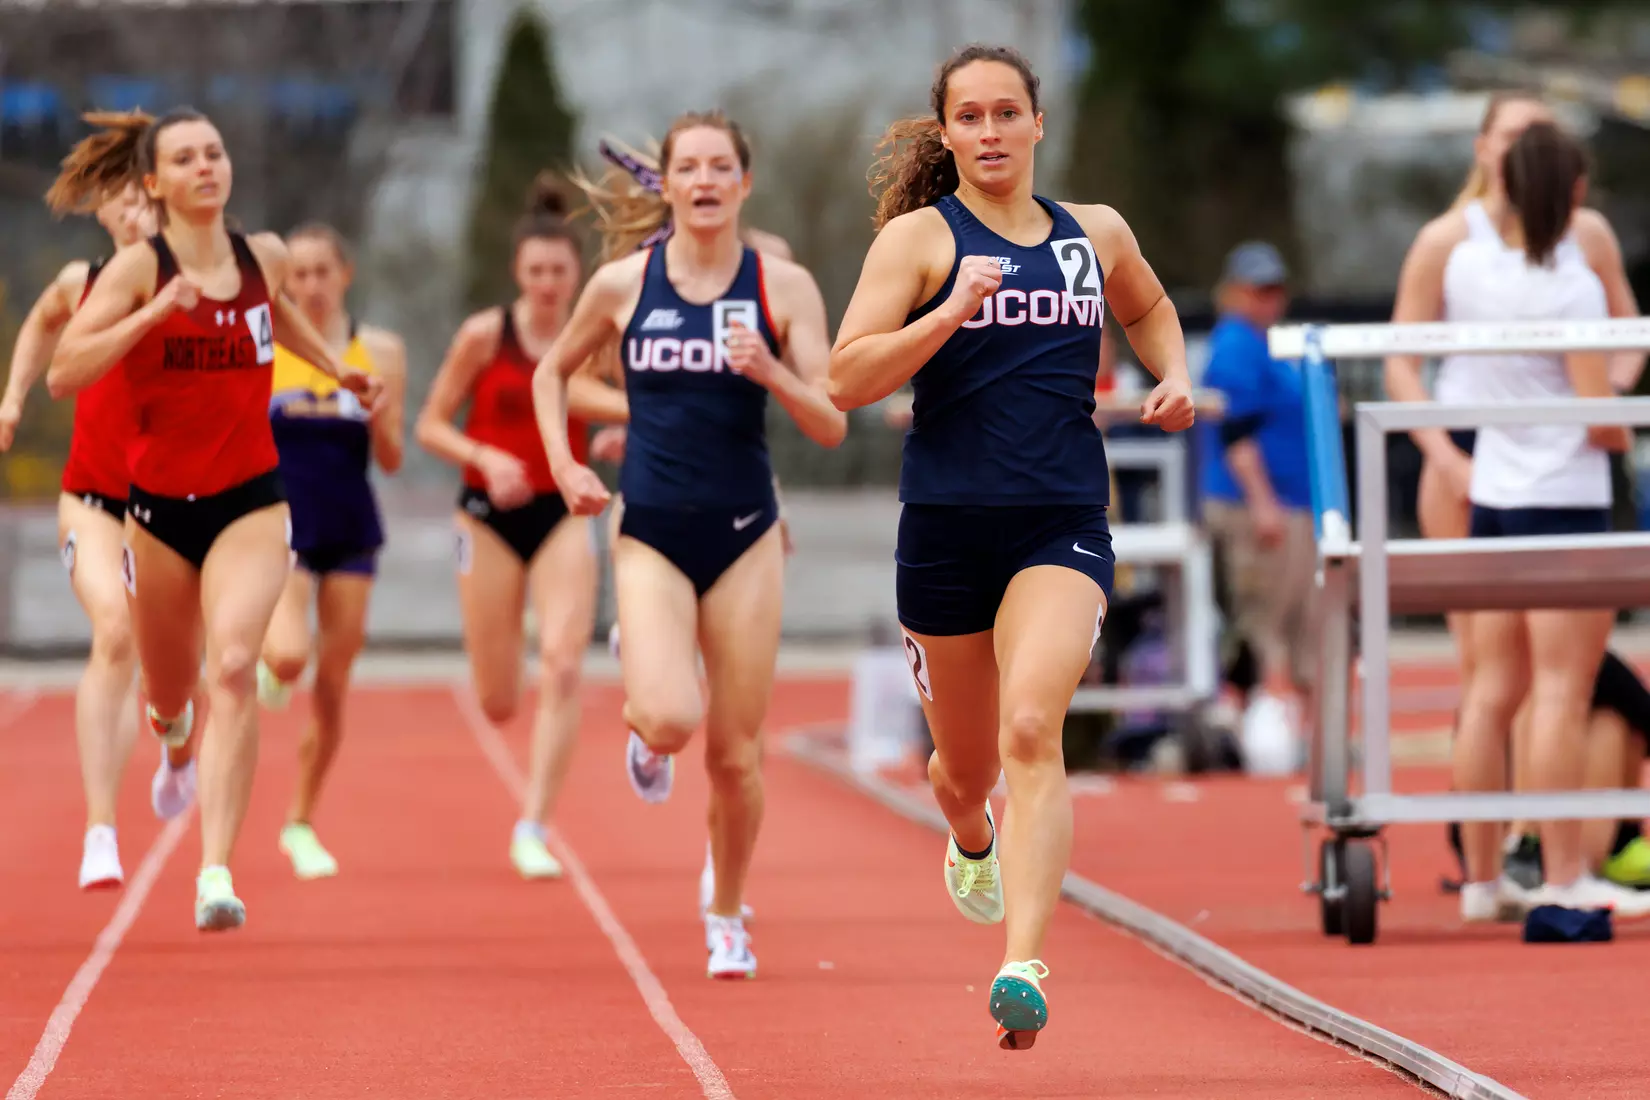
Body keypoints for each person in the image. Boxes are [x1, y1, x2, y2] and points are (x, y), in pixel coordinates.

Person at [826, 44, 1195, 1047]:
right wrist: (949, 312)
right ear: (947, 133)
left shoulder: (1095, 232)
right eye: (970, 116)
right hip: (947, 529)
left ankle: (1023, 963)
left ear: (1038, 123)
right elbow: (846, 378)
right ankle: (970, 833)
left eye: (1005, 113)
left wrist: (1171, 374)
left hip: (1059, 522)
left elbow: (1151, 306)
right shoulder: (918, 241)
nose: (989, 131)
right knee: (961, 768)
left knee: (1032, 728)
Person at [46, 107, 380, 931]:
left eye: (215, 153)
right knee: (170, 692)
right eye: (186, 158)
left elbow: (281, 313)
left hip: (250, 499)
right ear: (155, 183)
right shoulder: (137, 269)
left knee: (233, 665)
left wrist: (333, 367)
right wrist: (151, 315)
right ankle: (173, 734)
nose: (206, 167)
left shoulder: (262, 255)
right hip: (158, 513)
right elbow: (65, 370)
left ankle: (216, 873)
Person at [533, 109, 846, 979]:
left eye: (720, 167)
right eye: (689, 168)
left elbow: (830, 423)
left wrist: (771, 372)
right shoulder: (624, 285)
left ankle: (727, 912)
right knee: (671, 717)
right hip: (651, 530)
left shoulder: (784, 287)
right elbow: (553, 372)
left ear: (745, 184)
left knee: (737, 756)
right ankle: (647, 703)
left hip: (746, 534)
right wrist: (564, 467)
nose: (704, 181)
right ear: (667, 185)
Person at [1443, 122, 1650, 921]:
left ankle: (1482, 882)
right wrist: (1620, 420)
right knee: (1562, 690)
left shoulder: (1467, 266)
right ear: (1575, 193)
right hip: (1563, 494)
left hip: (1495, 494)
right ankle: (1564, 877)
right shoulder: (1573, 284)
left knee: (1491, 690)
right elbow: (1599, 419)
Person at [415, 177, 627, 881]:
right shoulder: (485, 336)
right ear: (517, 272)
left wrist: (618, 437)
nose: (546, 284)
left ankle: (534, 825)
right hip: (487, 516)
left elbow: (640, 408)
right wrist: (485, 455)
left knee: (564, 665)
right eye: (535, 271)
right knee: (500, 700)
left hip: (562, 510)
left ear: (576, 274)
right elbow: (430, 425)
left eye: (558, 271)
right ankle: (519, 629)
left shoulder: (596, 340)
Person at [0, 180, 172, 889]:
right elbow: (41, 322)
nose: (131, 210)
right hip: (94, 500)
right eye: (116, 200)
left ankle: (178, 739)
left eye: (141, 196)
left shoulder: (193, 284)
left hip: (173, 504)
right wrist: (12, 398)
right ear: (99, 213)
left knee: (170, 666)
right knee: (115, 634)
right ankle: (101, 829)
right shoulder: (82, 282)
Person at [256, 223, 406, 880]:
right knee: (290, 655)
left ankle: (300, 822)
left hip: (350, 522)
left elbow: (392, 458)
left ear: (345, 274)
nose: (312, 285)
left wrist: (379, 415)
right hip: (284, 519)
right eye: (299, 274)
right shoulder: (267, 346)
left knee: (334, 685)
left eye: (323, 271)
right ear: (284, 283)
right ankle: (270, 662)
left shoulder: (381, 350)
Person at [1196, 242, 1315, 775]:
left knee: (1291, 621)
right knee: (1262, 621)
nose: (1270, 299)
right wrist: (1263, 502)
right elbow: (1235, 433)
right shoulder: (1236, 345)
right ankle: (1262, 735)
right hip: (1257, 508)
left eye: (1276, 289)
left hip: (1290, 503)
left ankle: (1289, 733)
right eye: (1259, 289)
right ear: (1234, 291)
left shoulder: (1268, 344)